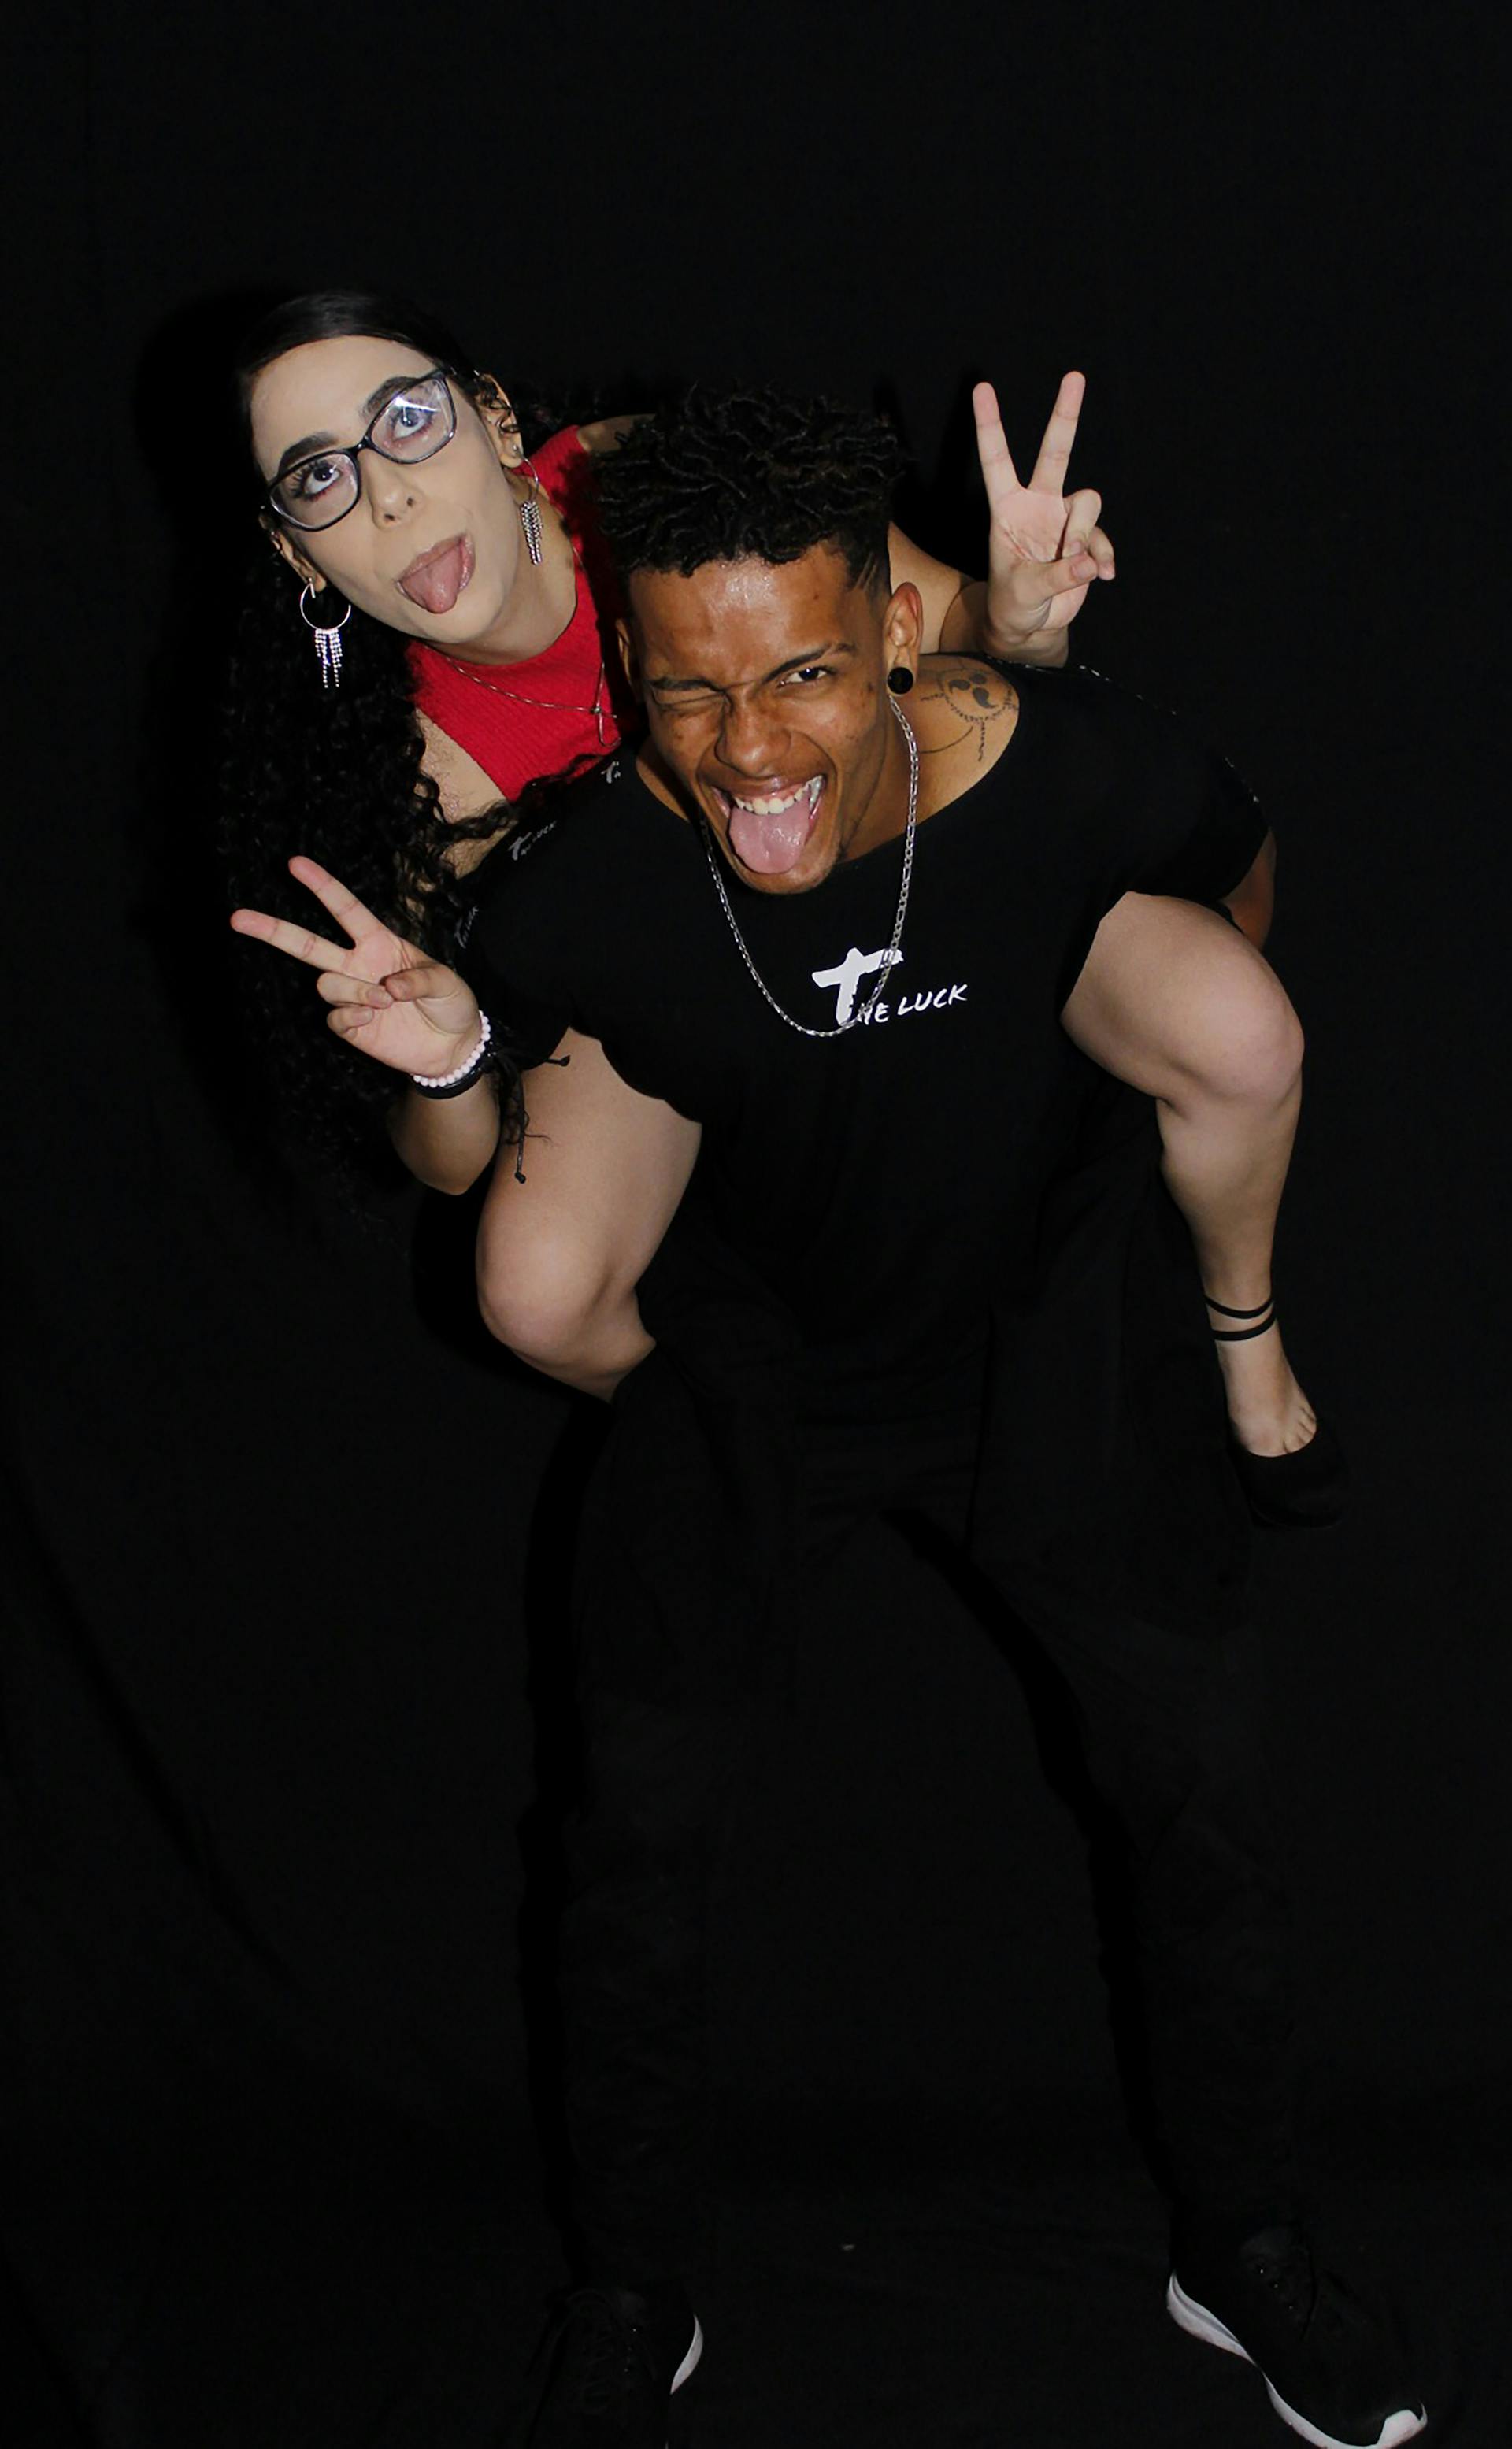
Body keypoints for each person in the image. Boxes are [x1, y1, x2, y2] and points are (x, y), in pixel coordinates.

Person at [450, 389, 1410, 2447]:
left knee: (1212, 1807)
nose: (752, 750)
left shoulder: (1069, 774)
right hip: (764, 1367)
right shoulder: (588, 886)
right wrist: (439, 1062)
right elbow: (485, 1160)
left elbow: (1230, 891)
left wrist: (1103, 1112)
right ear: (628, 664)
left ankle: (1245, 2249)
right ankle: (633, 2284)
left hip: (1041, 1341)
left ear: (903, 628)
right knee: (633, 1843)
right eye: (690, 688)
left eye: (801, 669)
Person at [228, 293, 1323, 1474]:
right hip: (685, 970)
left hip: (878, 848)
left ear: (491, 414)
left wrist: (1013, 615)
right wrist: (445, 1056)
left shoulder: (650, 478)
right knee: (538, 1290)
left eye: (404, 419)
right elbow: (449, 1158)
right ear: (300, 551)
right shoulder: (418, 786)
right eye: (318, 478)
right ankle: (787, 1453)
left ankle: (1243, 1326)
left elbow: (936, 629)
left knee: (1243, 1035)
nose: (387, 494)